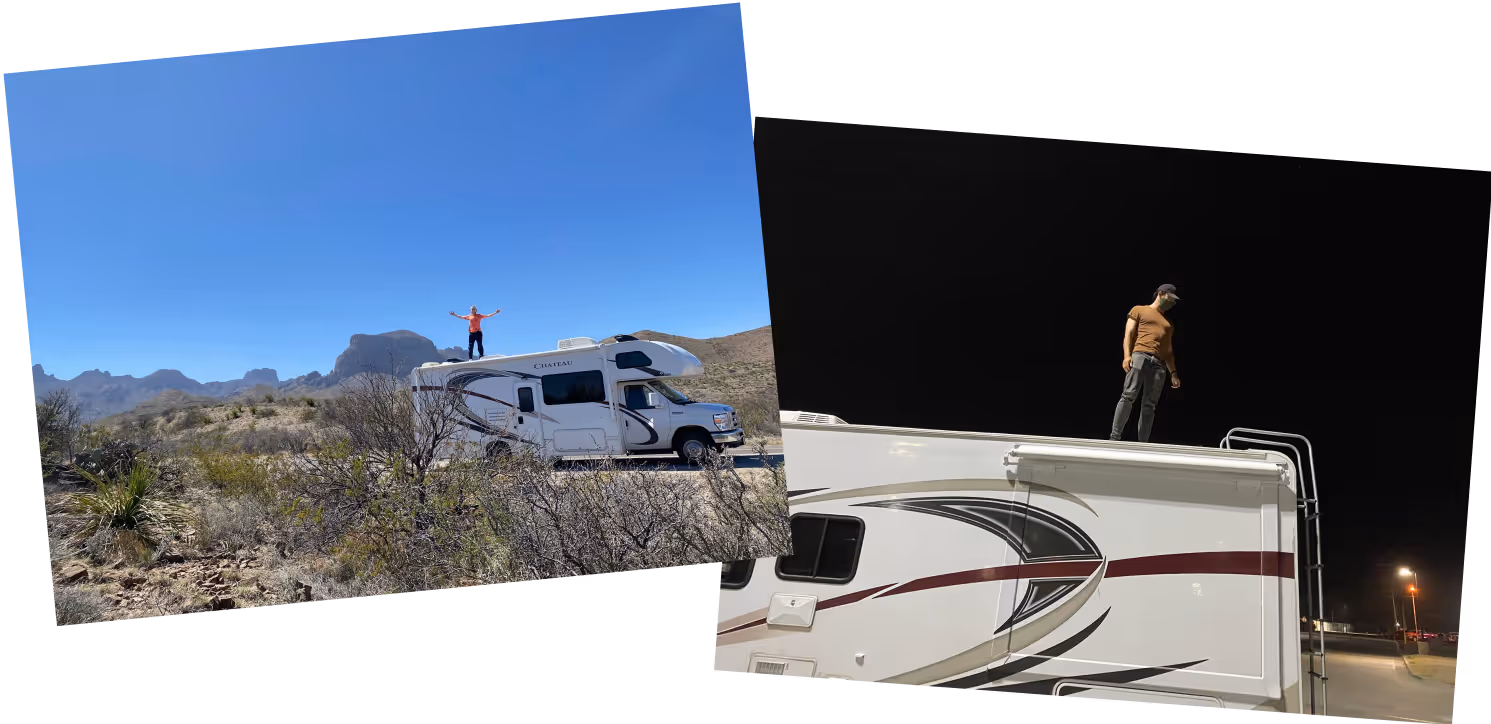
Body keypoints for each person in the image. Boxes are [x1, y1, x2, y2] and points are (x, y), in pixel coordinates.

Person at [1109, 284, 1181, 442]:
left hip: (1159, 365)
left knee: (1149, 405)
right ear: (1161, 294)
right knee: (1128, 395)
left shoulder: (1168, 325)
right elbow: (1128, 334)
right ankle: (1115, 437)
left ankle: (1143, 443)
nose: (1172, 303)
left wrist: (1173, 373)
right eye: (1170, 298)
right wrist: (1127, 356)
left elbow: (1168, 351)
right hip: (1140, 355)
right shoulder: (1139, 310)